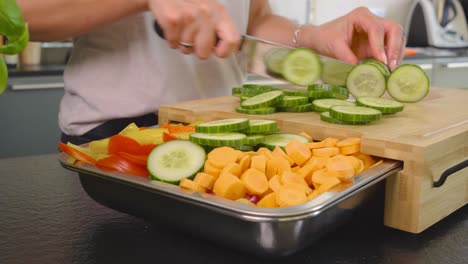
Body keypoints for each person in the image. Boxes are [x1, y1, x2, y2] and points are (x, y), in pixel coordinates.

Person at [17, 0, 406, 145]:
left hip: (220, 129)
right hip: (114, 137)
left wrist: (312, 35)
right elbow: (18, 15)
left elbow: (256, 17)